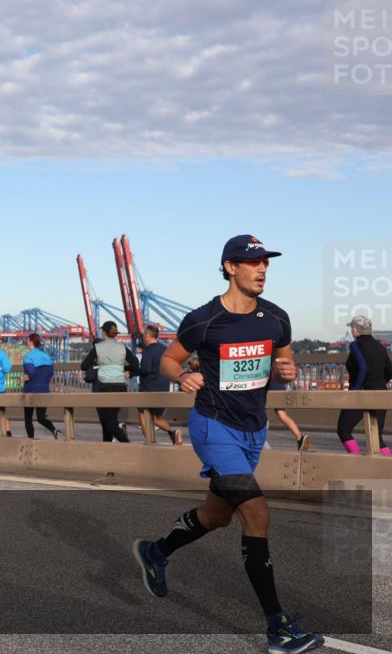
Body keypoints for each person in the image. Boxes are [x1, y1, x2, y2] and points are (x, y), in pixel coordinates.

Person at [133, 235, 323, 653]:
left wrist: (288, 370)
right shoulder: (203, 319)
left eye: (266, 264)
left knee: (216, 516)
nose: (262, 270)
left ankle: (156, 551)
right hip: (213, 426)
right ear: (229, 267)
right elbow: (169, 359)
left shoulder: (276, 318)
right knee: (257, 514)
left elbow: (284, 362)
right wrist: (181, 377)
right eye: (253, 263)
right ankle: (278, 628)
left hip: (253, 430)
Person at [337, 315, 392, 456]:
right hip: (380, 394)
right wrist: (377, 384)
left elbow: (363, 368)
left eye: (352, 328)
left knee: (344, 430)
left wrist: (356, 390)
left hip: (360, 395)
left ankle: (356, 462)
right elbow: (390, 371)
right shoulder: (380, 346)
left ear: (355, 330)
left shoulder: (355, 345)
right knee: (377, 439)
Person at [80, 320, 139, 442]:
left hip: (104, 387)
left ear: (104, 332)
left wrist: (99, 364)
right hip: (121, 387)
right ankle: (108, 449)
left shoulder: (98, 348)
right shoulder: (122, 347)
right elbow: (135, 364)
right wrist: (122, 368)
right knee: (107, 421)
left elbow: (84, 366)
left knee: (109, 422)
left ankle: (128, 445)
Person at [137, 324, 183, 445]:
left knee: (143, 414)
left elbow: (146, 369)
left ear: (147, 336)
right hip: (163, 387)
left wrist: (134, 371)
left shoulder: (148, 351)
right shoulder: (164, 349)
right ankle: (172, 433)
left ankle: (149, 442)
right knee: (155, 417)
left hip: (148, 388)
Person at [22, 333, 58, 439]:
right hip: (44, 390)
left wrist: (26, 377)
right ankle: (54, 430)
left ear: (30, 342)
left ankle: (31, 439)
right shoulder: (47, 356)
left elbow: (31, 372)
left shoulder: (28, 356)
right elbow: (50, 373)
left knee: (28, 418)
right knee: (41, 417)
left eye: (28, 340)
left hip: (31, 390)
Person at [268, 374, 309, 451]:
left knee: (281, 414)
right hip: (276, 383)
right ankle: (300, 438)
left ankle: (300, 438)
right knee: (282, 414)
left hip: (271, 383)